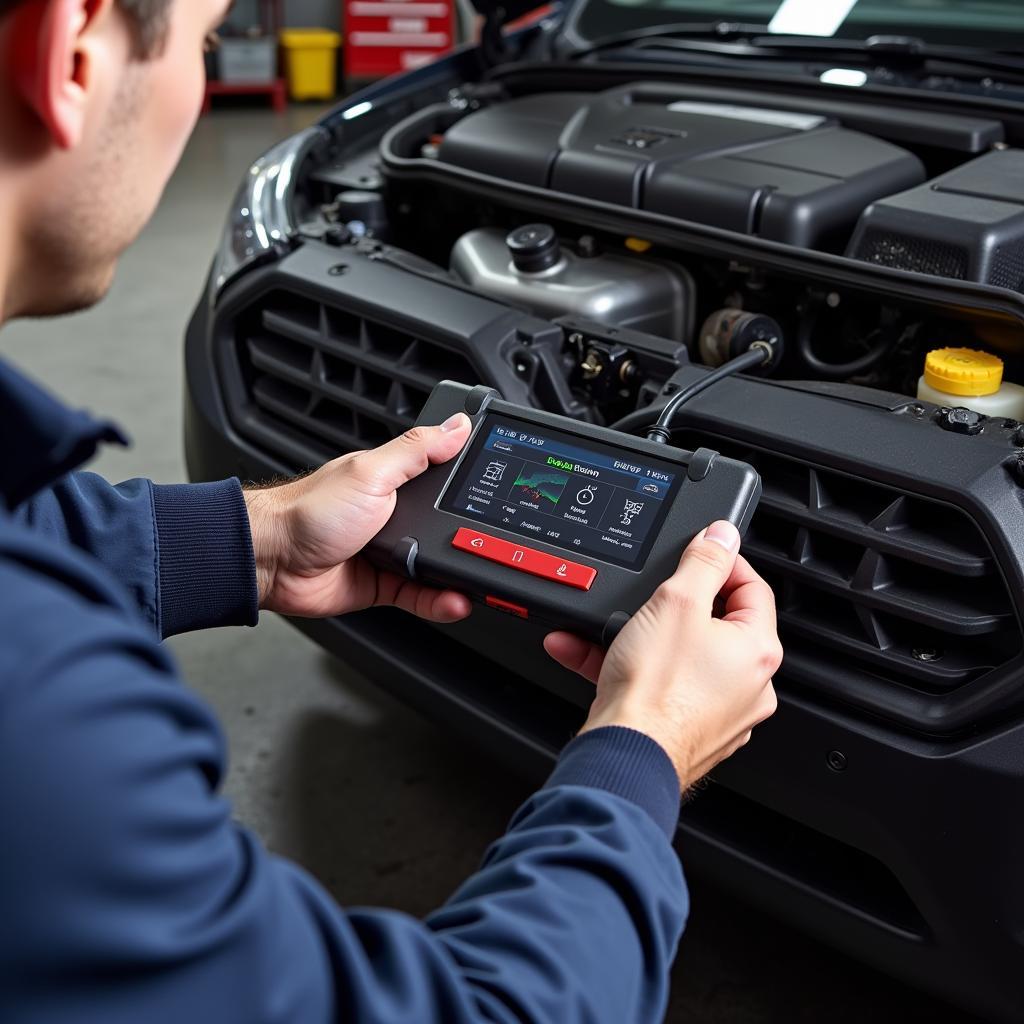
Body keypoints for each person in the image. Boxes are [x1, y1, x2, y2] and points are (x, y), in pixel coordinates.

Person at [0, 0, 782, 1020]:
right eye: (200, 46)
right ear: (69, 53)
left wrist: (258, 538)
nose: (199, 84)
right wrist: (643, 747)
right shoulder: (41, 713)